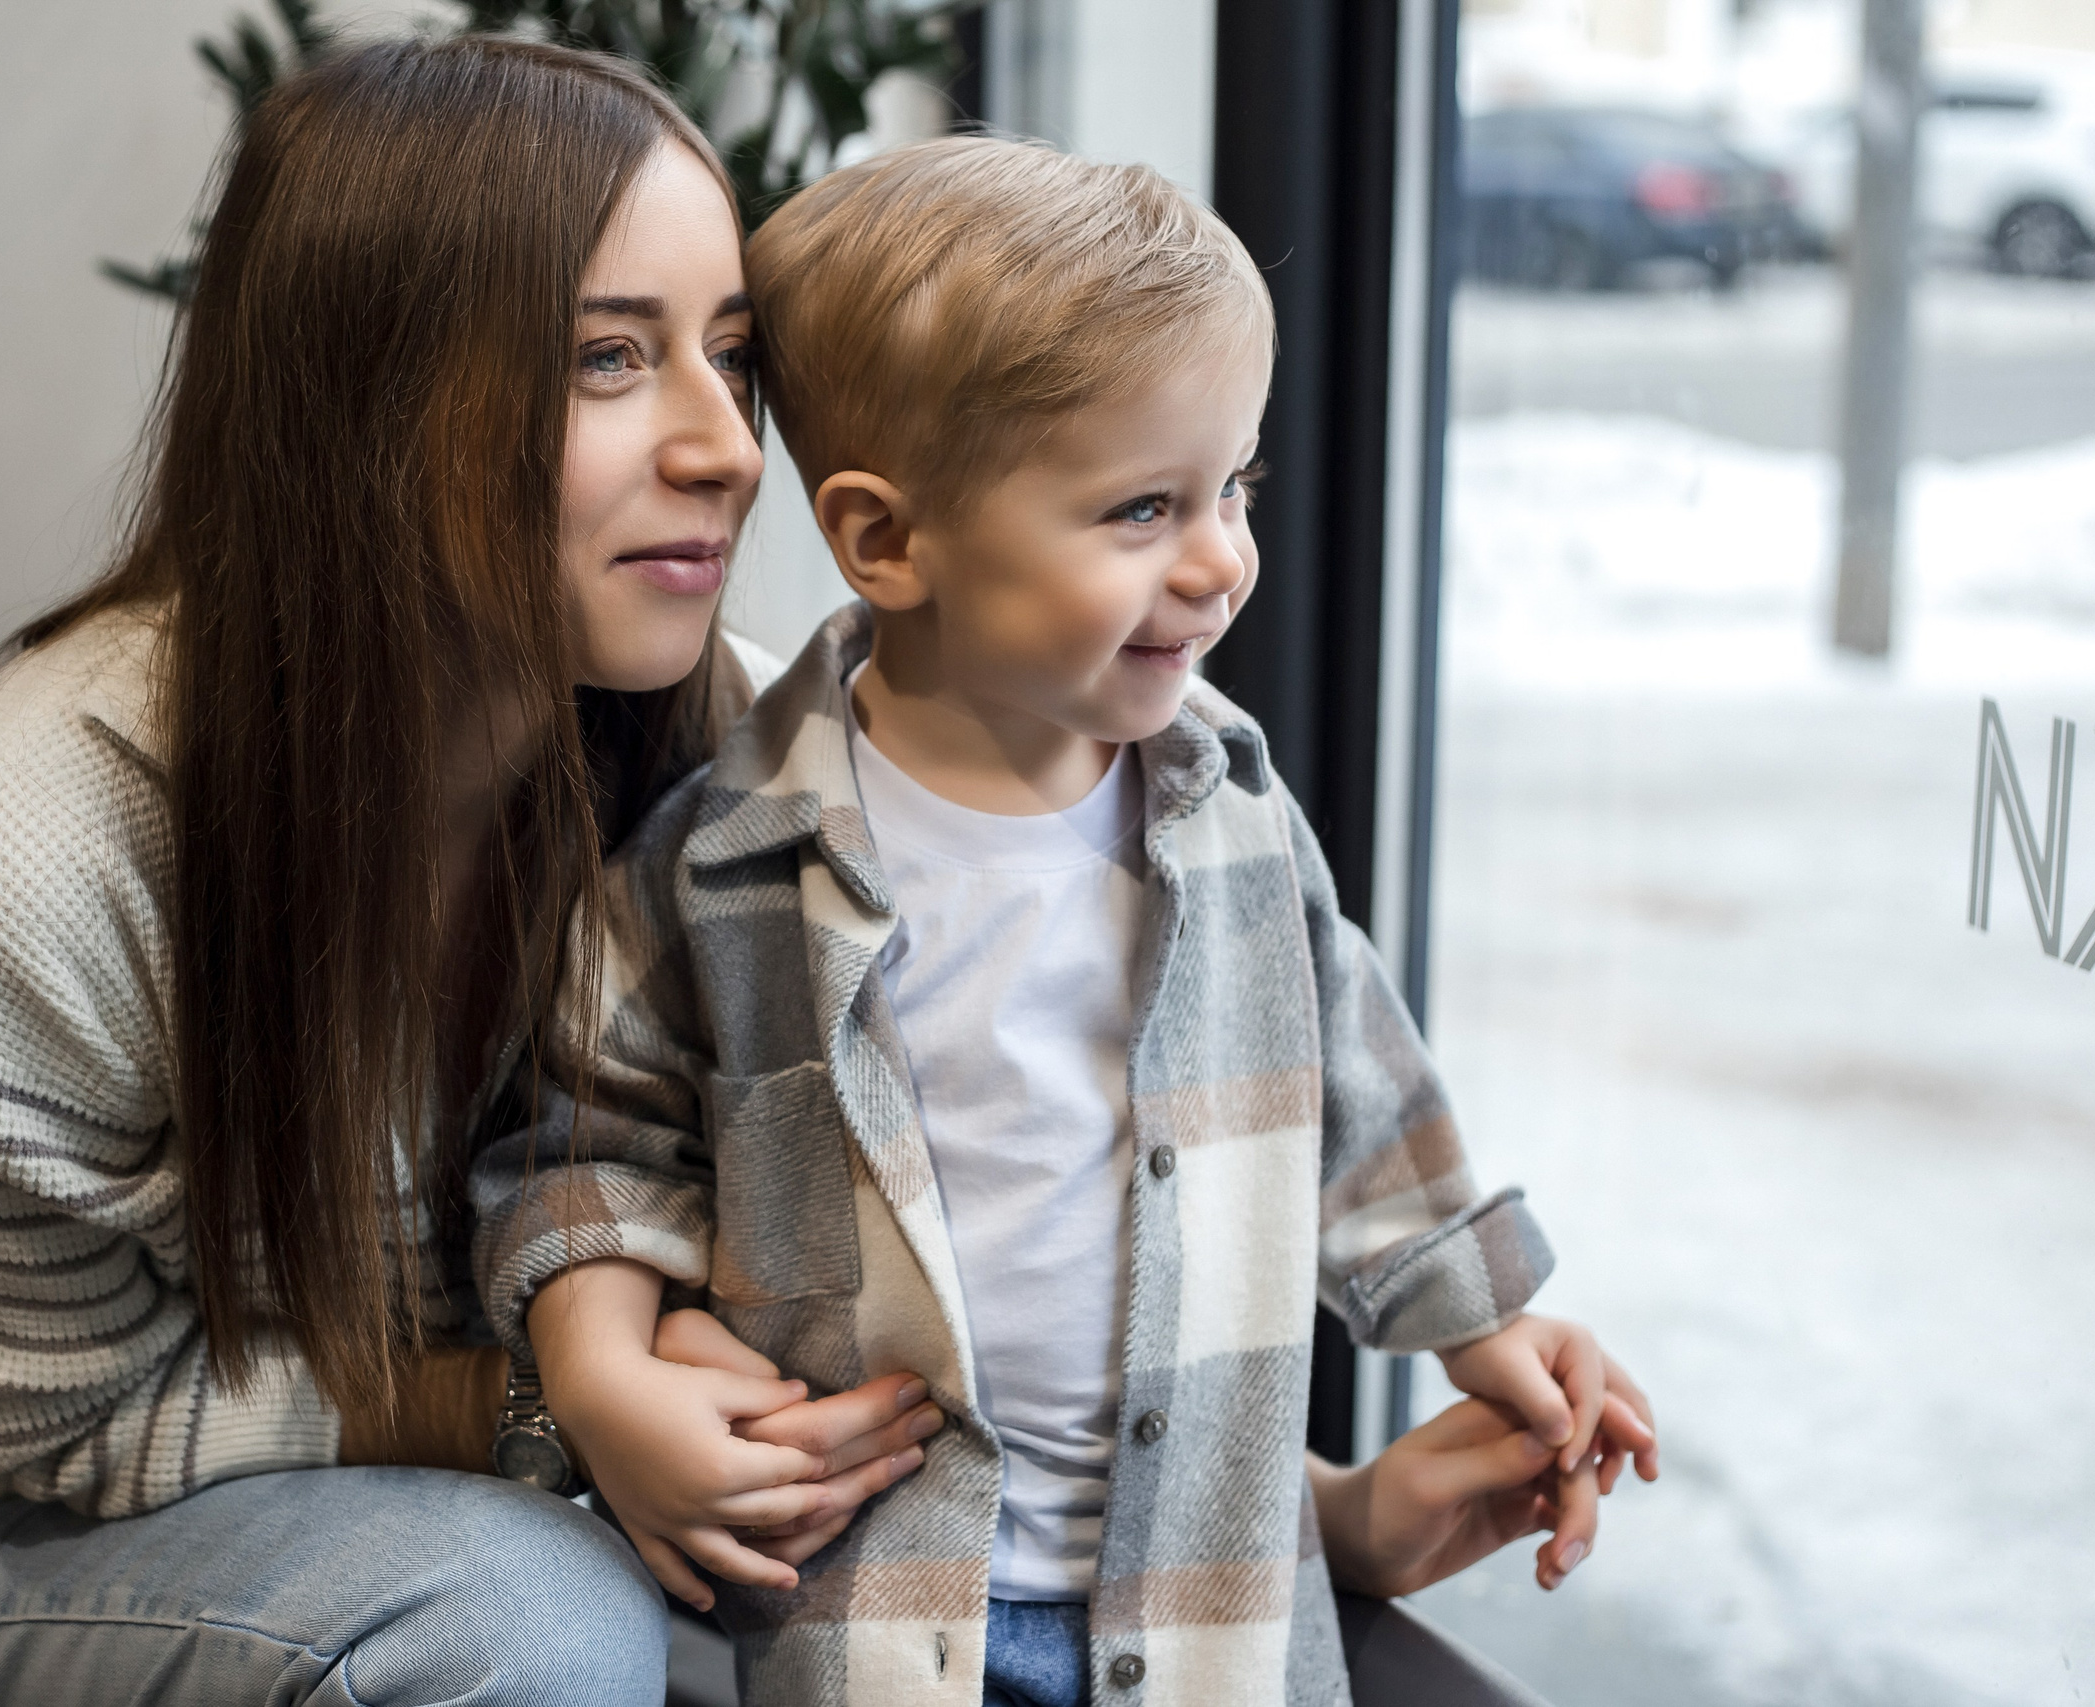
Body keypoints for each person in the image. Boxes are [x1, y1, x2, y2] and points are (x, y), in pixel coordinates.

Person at [0, 37, 938, 1707]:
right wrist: (550, 1408)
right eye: (609, 358)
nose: (727, 448)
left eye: (727, 358)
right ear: (367, 399)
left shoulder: (719, 740)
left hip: (443, 1478)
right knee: (532, 1629)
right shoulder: (28, 866)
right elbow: (68, 1432)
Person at [475, 137, 1659, 1707]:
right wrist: (594, 1362)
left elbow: (1360, 1087)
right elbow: (588, 1144)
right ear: (889, 543)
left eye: (1234, 485)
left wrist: (1482, 1322)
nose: (1222, 559)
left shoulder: (1232, 821)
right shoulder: (722, 861)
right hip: (881, 1619)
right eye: (1142, 509)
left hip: (1213, 1611)